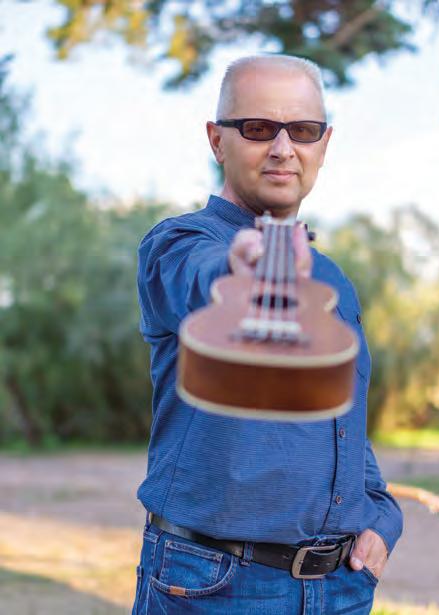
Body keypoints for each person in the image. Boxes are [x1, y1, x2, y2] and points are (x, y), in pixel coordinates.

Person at [132, 54, 403, 614]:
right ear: (217, 140)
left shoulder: (330, 280)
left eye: (302, 130)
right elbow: (201, 277)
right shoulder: (177, 245)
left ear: (324, 144)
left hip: (341, 589)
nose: (283, 149)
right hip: (214, 586)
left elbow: (340, 417)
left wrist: (380, 514)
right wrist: (243, 262)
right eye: (258, 128)